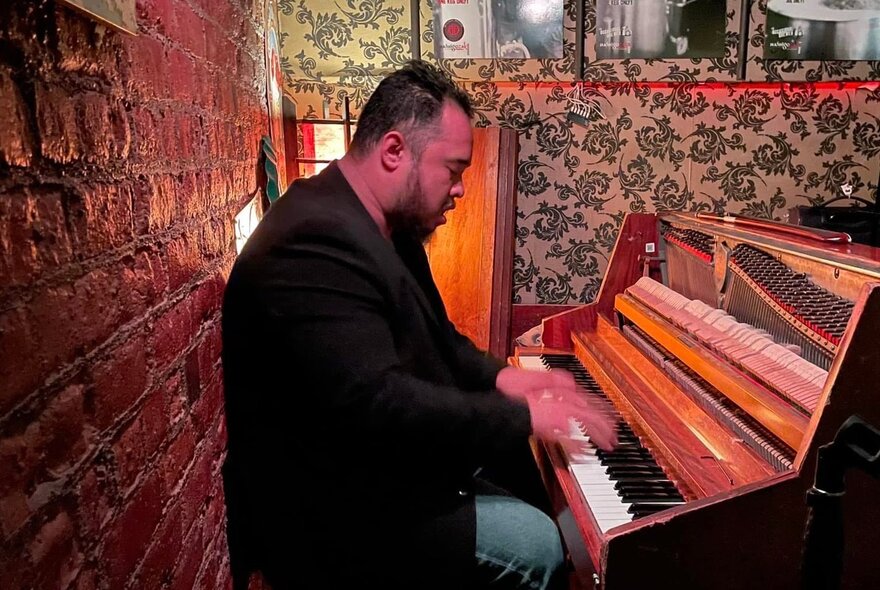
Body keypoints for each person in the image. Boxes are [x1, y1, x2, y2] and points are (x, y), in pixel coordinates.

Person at [221, 60, 618, 590]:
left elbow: (440, 338)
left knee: (527, 479)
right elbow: (377, 403)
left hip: (370, 475)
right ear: (393, 151)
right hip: (331, 517)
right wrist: (523, 415)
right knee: (537, 542)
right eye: (452, 170)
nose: (459, 190)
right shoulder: (314, 240)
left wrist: (507, 379)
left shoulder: (387, 227)